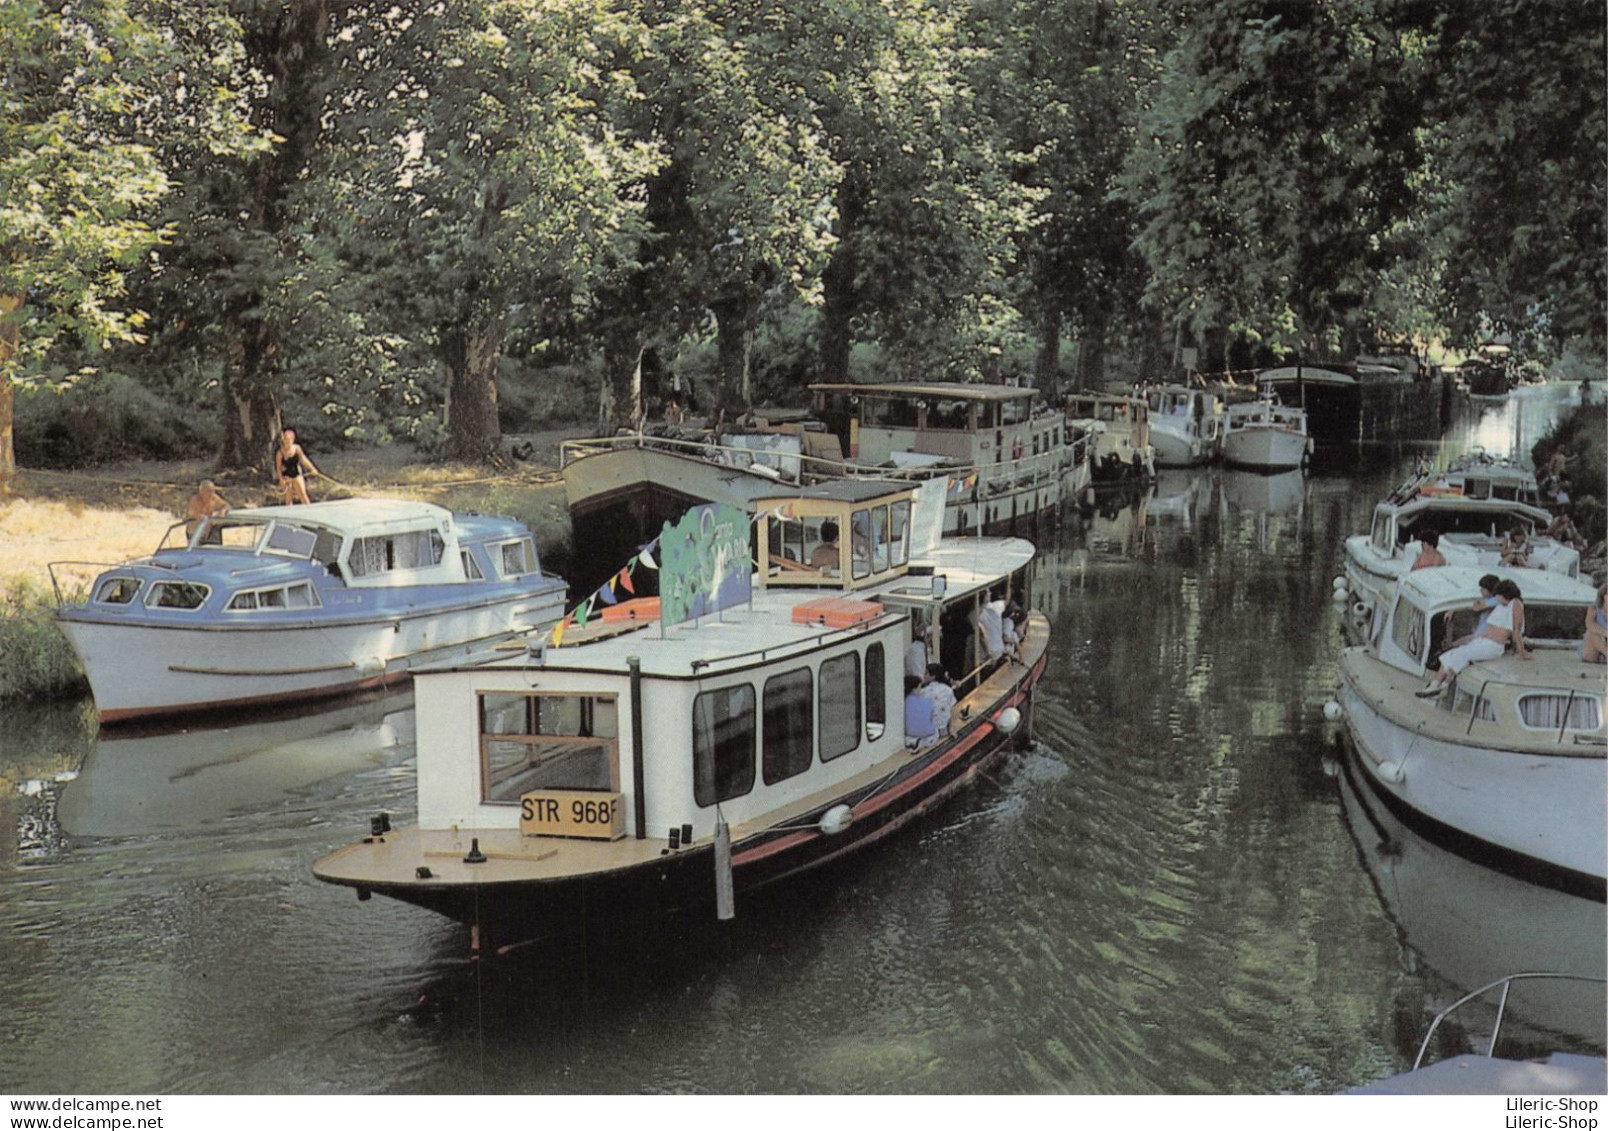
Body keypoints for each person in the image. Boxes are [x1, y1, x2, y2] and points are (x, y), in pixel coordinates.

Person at [1417, 579, 1530, 697]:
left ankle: (1444, 686)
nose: (1497, 598)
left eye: (1499, 596)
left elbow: (1516, 630)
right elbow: (1477, 607)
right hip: (1483, 641)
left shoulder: (1516, 604)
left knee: (1463, 654)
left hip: (1493, 646)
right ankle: (1435, 685)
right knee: (1452, 654)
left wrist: (1521, 653)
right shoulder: (1501, 605)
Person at [1441, 574, 1501, 651]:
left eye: (1483, 589)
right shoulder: (1485, 600)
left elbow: (1476, 608)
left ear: (1490, 590)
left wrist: (1477, 604)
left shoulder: (1496, 600)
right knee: (1452, 646)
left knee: (1453, 647)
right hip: (1478, 634)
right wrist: (1453, 610)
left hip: (1484, 636)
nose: (1481, 591)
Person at [274, 428, 323, 505]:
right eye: (284, 439)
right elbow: (278, 467)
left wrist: (312, 469)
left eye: (288, 440)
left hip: (297, 474)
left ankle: (309, 511)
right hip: (287, 476)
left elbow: (303, 460)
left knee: (303, 495)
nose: (286, 442)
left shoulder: (297, 448)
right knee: (288, 498)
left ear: (292, 440)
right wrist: (281, 479)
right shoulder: (280, 453)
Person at [918, 663, 957, 737]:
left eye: (926, 673)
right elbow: (951, 710)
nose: (924, 676)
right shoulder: (948, 690)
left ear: (933, 676)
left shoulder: (923, 692)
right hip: (944, 729)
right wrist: (951, 728)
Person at [904, 675, 937, 749]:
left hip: (909, 738)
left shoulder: (903, 703)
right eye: (920, 687)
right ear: (914, 689)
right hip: (928, 738)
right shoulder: (926, 701)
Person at [1584, 586, 1608, 664]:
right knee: (1592, 633)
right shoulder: (1593, 609)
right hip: (1593, 647)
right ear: (1603, 596)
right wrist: (1605, 633)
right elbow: (1589, 624)